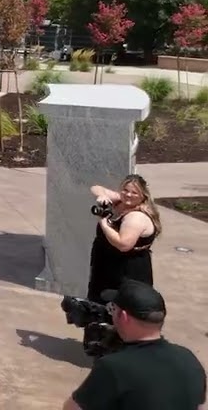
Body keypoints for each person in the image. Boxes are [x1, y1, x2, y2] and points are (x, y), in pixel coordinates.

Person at [64, 279, 206, 410]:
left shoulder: (113, 367)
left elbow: (72, 408)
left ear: (124, 317)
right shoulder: (189, 359)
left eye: (113, 309)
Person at [87, 174, 162, 302]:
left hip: (126, 272)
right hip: (106, 267)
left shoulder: (136, 217)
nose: (128, 195)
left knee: (121, 308)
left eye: (134, 193)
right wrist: (102, 195)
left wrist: (104, 223)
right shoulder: (121, 202)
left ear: (143, 196)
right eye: (125, 190)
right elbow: (95, 188)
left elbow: (123, 245)